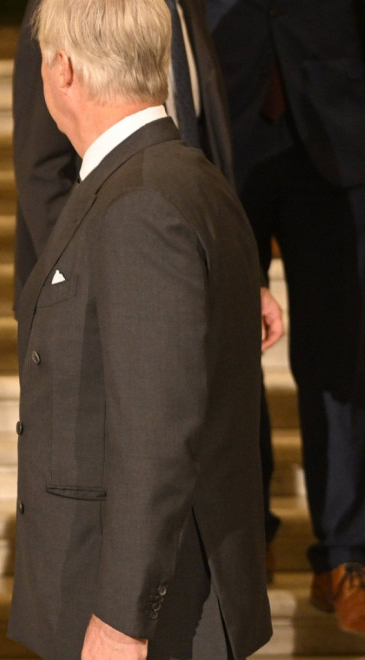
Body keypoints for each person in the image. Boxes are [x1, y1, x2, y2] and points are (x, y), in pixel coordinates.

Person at [8, 0, 273, 657]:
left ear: (62, 70)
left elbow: (156, 434)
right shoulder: (181, 179)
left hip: (151, 617)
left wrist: (122, 620)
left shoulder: (142, 204)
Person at [207, 0, 365, 634]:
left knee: (339, 353)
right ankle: (249, 536)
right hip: (224, 131)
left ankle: (345, 554)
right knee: (230, 349)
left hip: (335, 126)